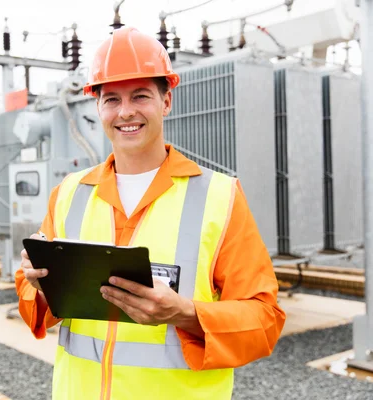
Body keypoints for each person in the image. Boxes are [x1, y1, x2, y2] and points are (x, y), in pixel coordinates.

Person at [15, 26, 286, 400]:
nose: (125, 112)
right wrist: (40, 284)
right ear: (97, 107)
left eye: (140, 96)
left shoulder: (219, 197)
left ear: (166, 101)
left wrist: (185, 313)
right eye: (111, 99)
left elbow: (264, 319)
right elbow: (35, 305)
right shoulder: (69, 194)